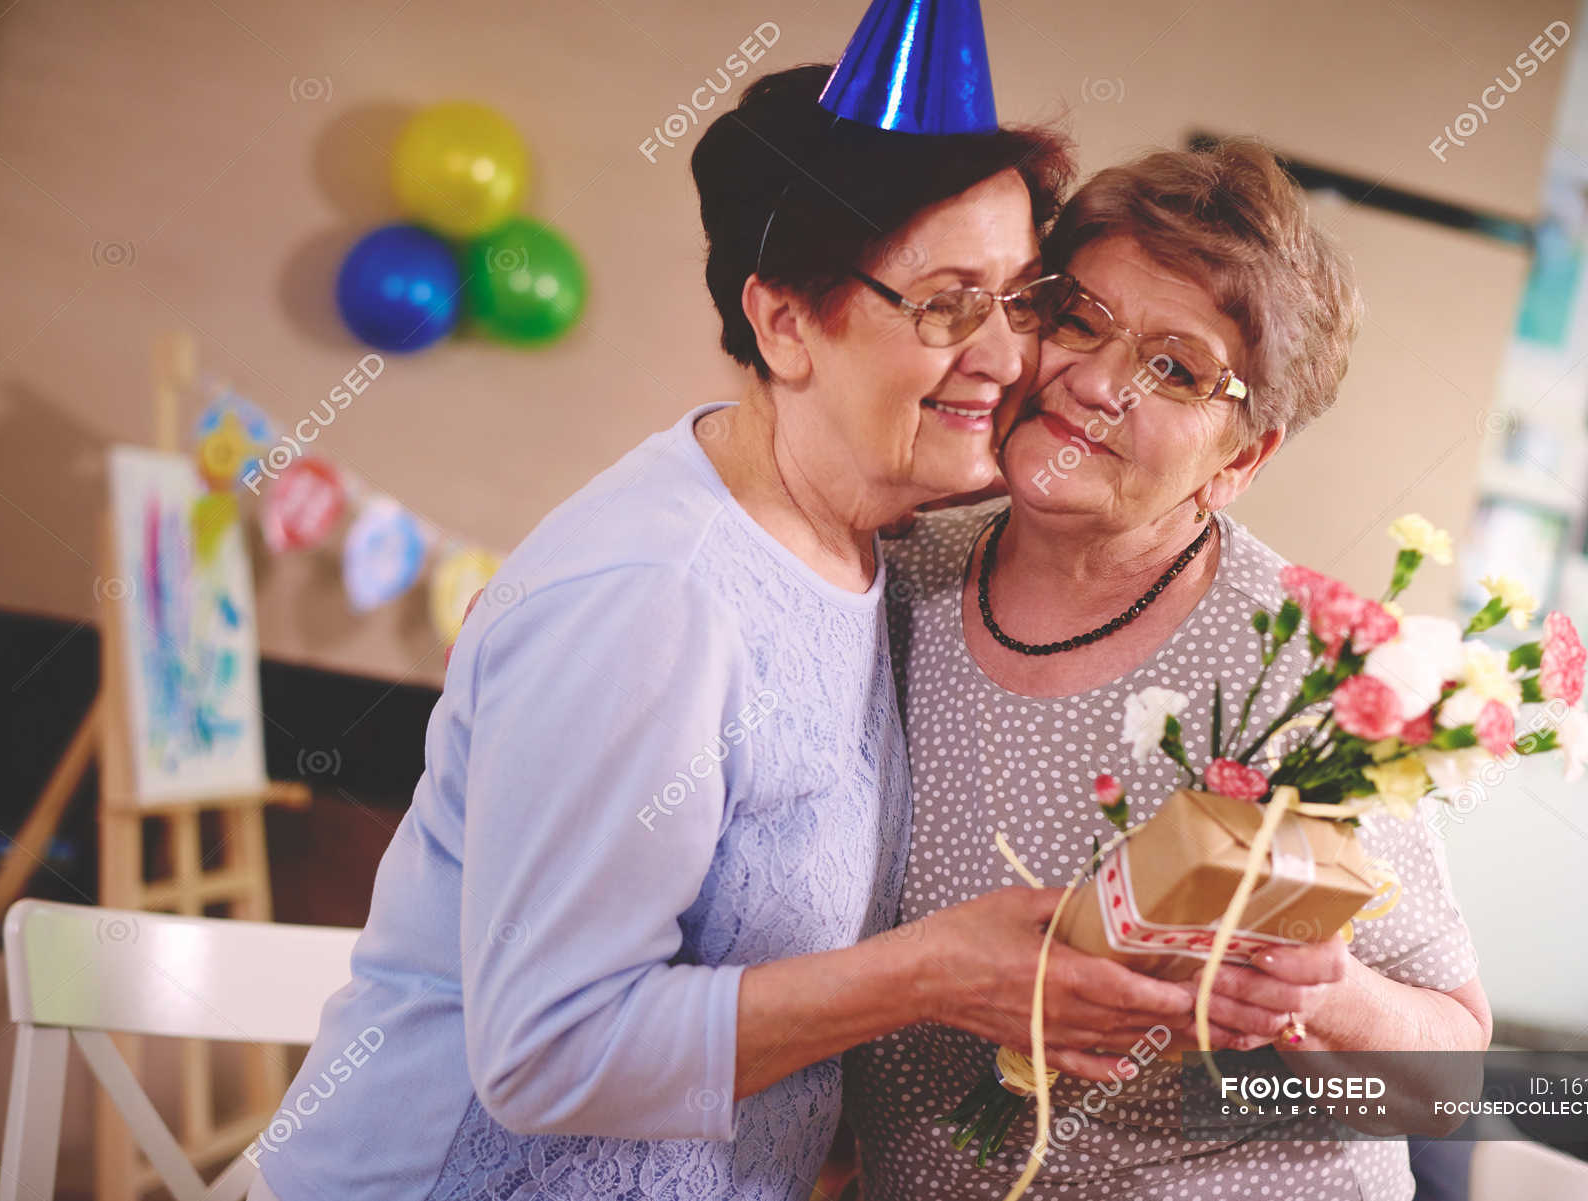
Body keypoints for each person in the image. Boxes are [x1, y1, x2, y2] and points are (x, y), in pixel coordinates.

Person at [247, 39, 1228, 1199]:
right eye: (946, 304)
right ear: (784, 322)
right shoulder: (653, 595)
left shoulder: (881, 553)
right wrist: (920, 977)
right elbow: (545, 1055)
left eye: (1023, 300)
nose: (1009, 356)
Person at [842, 139, 1492, 1201]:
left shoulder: (1301, 668)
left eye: (1175, 369)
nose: (1093, 381)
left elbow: (1449, 1080)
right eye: (1078, 317)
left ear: (1241, 458)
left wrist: (1321, 997)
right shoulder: (891, 575)